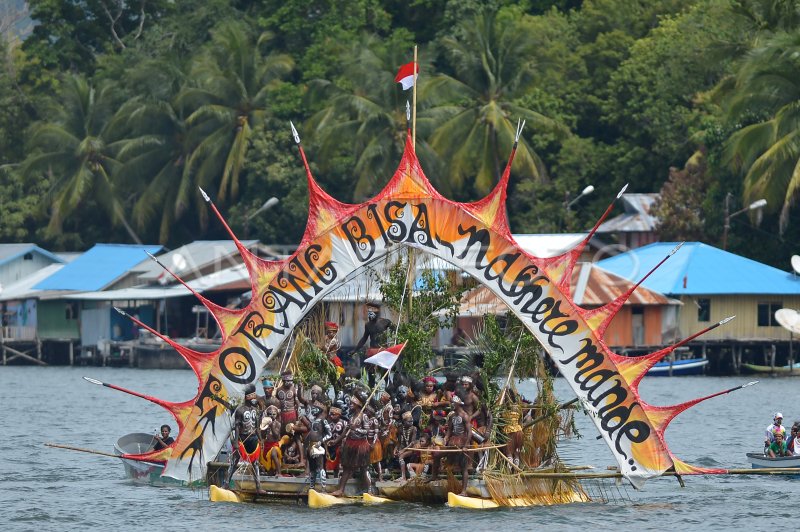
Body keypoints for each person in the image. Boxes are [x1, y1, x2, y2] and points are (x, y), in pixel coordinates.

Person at [330, 393, 372, 497]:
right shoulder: (352, 416)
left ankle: (369, 491)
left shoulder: (364, 416)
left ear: (358, 404)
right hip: (350, 444)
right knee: (346, 468)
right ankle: (341, 490)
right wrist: (336, 441)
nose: (350, 405)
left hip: (361, 445)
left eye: (352, 404)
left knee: (363, 469)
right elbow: (345, 432)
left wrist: (355, 428)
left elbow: (367, 431)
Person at [431, 394, 473, 496]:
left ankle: (464, 491)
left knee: (463, 466)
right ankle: (434, 477)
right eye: (452, 403)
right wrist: (445, 438)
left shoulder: (465, 416)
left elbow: (469, 432)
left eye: (454, 403)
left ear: (458, 404)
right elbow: (449, 430)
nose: (452, 405)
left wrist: (466, 445)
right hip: (452, 442)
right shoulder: (452, 416)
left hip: (461, 442)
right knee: (436, 455)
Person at [231, 384, 265, 493]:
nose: (254, 400)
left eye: (255, 397)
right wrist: (236, 442)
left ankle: (258, 487)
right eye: (252, 397)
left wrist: (261, 439)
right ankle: (226, 484)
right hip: (242, 439)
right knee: (234, 461)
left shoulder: (255, 411)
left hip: (253, 439)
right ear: (247, 398)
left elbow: (257, 427)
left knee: (255, 464)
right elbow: (237, 427)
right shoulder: (240, 410)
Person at [352, 302, 394, 387]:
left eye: (373, 310)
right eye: (369, 310)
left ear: (378, 312)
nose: (370, 312)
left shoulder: (385, 322)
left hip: (383, 351)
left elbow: (396, 329)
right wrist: (355, 350)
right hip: (372, 351)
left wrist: (396, 341)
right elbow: (364, 338)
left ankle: (388, 391)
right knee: (371, 374)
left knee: (385, 374)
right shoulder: (368, 325)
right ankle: (371, 391)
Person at [259, 405, 283, 477]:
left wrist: (272, 426)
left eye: (273, 414)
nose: (272, 416)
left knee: (273, 454)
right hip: (267, 444)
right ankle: (269, 472)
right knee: (267, 463)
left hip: (274, 444)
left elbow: (276, 436)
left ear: (277, 414)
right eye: (269, 414)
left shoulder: (278, 424)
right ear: (267, 415)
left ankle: (279, 472)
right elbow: (263, 435)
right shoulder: (265, 423)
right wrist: (264, 427)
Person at [325, 406, 348, 478]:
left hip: (342, 446)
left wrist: (342, 444)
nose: (331, 416)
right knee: (331, 462)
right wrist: (326, 449)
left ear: (339, 415)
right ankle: (331, 476)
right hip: (331, 447)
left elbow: (346, 435)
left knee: (342, 463)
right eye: (330, 414)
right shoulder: (328, 424)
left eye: (333, 414)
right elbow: (325, 437)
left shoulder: (344, 423)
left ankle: (342, 476)